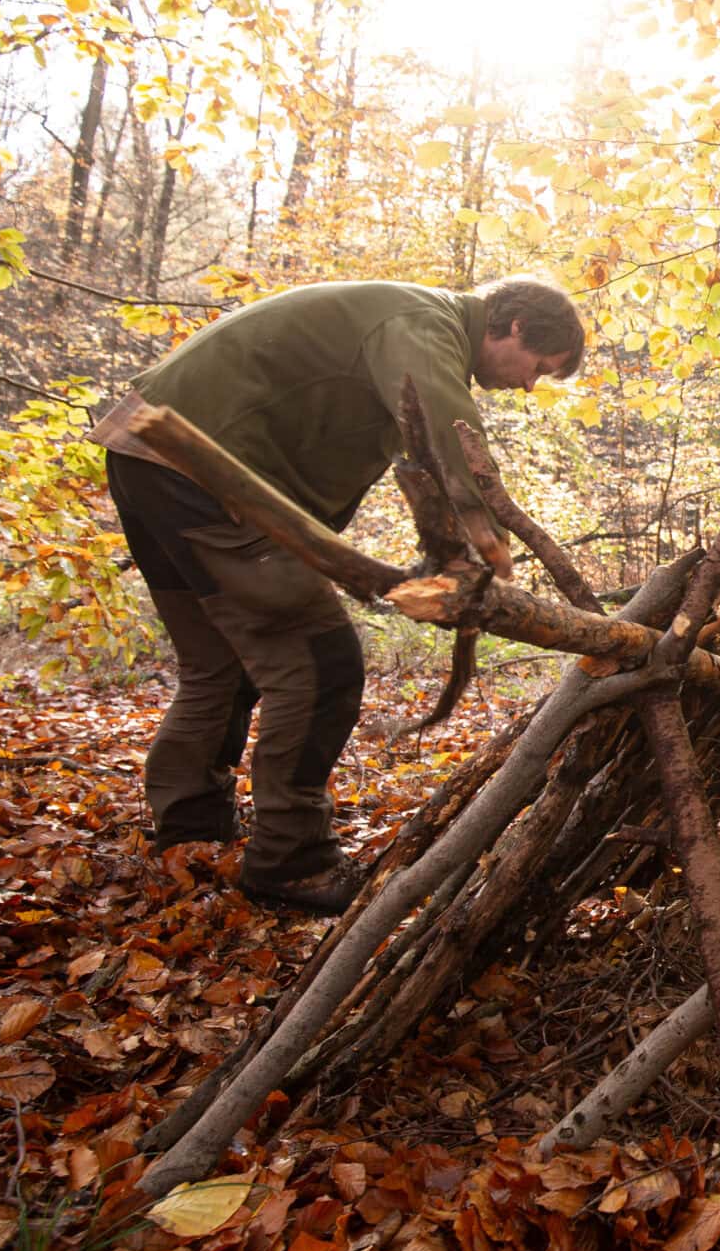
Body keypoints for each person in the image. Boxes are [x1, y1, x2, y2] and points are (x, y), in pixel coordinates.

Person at [94, 275, 586, 914]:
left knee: (222, 663)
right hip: (198, 469)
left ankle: (190, 836)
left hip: (151, 459)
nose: (528, 386)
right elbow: (445, 432)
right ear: (515, 327)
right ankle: (291, 864)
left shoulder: (409, 319)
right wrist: (487, 546)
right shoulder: (422, 323)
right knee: (320, 666)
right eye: (539, 368)